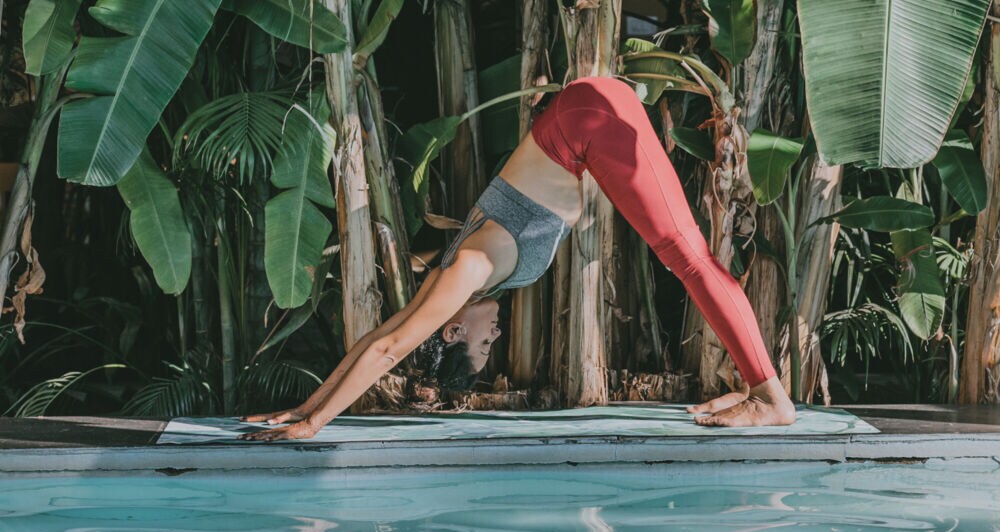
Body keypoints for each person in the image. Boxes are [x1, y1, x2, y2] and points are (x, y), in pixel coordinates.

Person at [240, 77, 796, 441]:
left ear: (453, 330)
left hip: (587, 121)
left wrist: (313, 424)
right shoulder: (460, 279)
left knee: (686, 256)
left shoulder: (469, 271)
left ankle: (771, 397)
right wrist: (303, 405)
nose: (496, 332)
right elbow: (380, 335)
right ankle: (756, 388)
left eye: (483, 341)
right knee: (686, 254)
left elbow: (388, 349)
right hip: (586, 116)